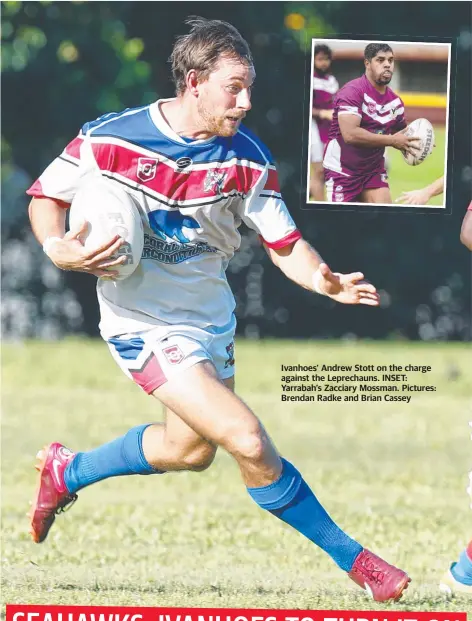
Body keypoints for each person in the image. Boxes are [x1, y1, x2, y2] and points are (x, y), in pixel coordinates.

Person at [27, 18, 410, 603]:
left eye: (249, 86)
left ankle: (67, 470)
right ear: (193, 82)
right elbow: (47, 196)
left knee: (189, 450)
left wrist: (321, 280)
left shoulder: (248, 159)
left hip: (209, 318)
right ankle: (359, 563)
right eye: (234, 87)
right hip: (142, 325)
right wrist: (58, 248)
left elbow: (285, 245)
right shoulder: (111, 139)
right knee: (247, 440)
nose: (247, 101)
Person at [323, 43, 420, 205]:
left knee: (384, 222)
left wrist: (422, 140)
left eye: (390, 60)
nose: (387, 64)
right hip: (343, 171)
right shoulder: (351, 92)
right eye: (380, 60)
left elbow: (403, 132)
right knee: (343, 227)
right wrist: (392, 141)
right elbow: (350, 135)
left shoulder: (395, 102)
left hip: (373, 171)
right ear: (367, 63)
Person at [309, 44, 339, 201]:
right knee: (320, 171)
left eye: (326, 59)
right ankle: (321, 208)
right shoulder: (310, 79)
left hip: (327, 131)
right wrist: (322, 113)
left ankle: (306, 193)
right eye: (320, 59)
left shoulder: (332, 81)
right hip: (312, 130)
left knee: (327, 172)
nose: (323, 63)